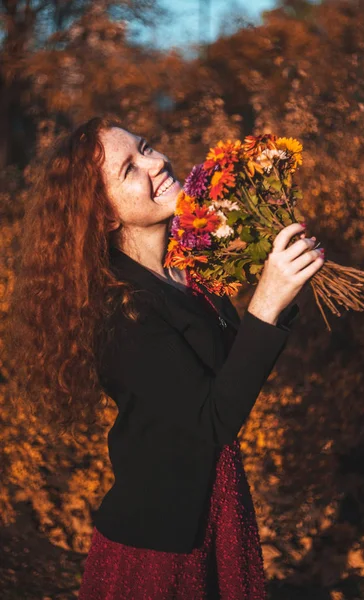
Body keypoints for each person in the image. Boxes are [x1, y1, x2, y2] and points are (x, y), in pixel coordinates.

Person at [6, 116, 324, 599]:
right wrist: (266, 302)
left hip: (217, 499)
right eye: (130, 169)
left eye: (147, 146)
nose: (157, 161)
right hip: (163, 534)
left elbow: (231, 381)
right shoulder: (119, 307)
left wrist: (280, 292)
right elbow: (211, 421)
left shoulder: (186, 269)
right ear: (104, 215)